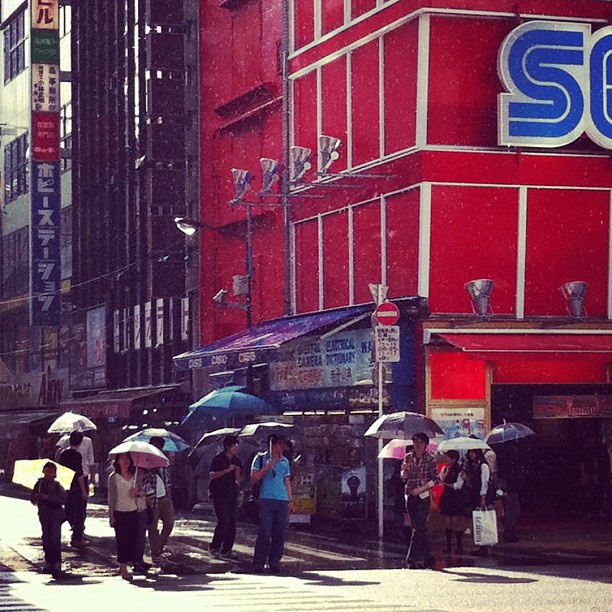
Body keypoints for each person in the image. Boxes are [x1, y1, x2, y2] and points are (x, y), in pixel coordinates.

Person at [251, 434, 294, 573]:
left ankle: (274, 561)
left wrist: (291, 500)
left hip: (282, 500)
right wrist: (266, 468)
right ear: (273, 444)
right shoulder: (261, 458)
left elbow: (287, 482)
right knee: (265, 531)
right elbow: (254, 478)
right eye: (280, 444)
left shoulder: (284, 461)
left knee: (279, 532)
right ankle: (259, 562)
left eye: (283, 444)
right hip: (266, 499)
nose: (282, 447)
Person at [400, 432, 439, 569]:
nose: (417, 446)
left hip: (423, 496)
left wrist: (422, 488)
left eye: (420, 443)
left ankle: (412, 556)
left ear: (425, 445)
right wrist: (404, 471)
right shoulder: (408, 457)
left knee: (419, 526)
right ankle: (428, 556)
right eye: (415, 442)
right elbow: (403, 478)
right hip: (410, 495)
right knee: (416, 527)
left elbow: (436, 479)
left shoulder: (430, 459)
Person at [108, 452, 147, 581]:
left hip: (133, 511)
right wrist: (111, 515)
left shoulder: (135, 476)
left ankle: (124, 563)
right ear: (117, 461)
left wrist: (137, 492)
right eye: (122, 458)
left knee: (132, 540)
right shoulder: (113, 477)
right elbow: (111, 498)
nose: (125, 461)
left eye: (127, 458)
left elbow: (142, 492)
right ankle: (123, 567)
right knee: (122, 540)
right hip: (119, 512)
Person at [30, 462, 67, 578]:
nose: (48, 473)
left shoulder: (57, 486)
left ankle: (56, 562)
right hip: (44, 515)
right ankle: (48, 562)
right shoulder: (39, 484)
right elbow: (32, 498)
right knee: (46, 539)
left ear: (55, 474)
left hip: (55, 516)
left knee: (55, 539)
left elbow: (62, 499)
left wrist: (48, 497)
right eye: (47, 471)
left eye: (51, 471)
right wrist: (36, 497)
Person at [209, 434, 242, 559]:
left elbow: (239, 481)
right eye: (234, 445)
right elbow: (212, 475)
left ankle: (227, 549)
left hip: (232, 494)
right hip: (219, 494)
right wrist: (227, 470)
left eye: (236, 445)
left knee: (232, 522)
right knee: (224, 520)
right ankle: (215, 546)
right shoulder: (218, 459)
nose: (236, 448)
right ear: (228, 447)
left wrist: (237, 473)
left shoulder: (237, 461)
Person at [144, 436, 175, 565]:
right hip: (152, 498)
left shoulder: (164, 461)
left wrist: (169, 495)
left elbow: (167, 480)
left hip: (164, 497)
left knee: (169, 523)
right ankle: (155, 552)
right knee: (153, 527)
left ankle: (159, 547)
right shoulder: (144, 462)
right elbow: (141, 481)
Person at [58, 432, 89, 548]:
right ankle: (77, 538)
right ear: (80, 442)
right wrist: (84, 491)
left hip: (66, 486)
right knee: (80, 513)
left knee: (69, 510)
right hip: (76, 486)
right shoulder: (77, 455)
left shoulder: (62, 453)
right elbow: (79, 474)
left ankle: (68, 527)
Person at [463, 447, 492, 555]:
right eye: (470, 452)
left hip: (481, 497)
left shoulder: (483, 465)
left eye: (473, 452)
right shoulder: (473, 465)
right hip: (475, 496)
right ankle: (481, 546)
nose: (471, 454)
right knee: (478, 521)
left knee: (483, 521)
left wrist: (483, 497)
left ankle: (485, 546)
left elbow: (485, 482)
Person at [438, 450, 469, 555]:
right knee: (448, 522)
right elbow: (439, 479)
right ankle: (449, 545)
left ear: (453, 459)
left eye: (448, 458)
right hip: (446, 497)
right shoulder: (445, 468)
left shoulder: (460, 471)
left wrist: (446, 484)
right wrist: (445, 474)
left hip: (456, 498)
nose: (446, 459)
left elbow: (458, 486)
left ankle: (459, 545)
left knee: (456, 522)